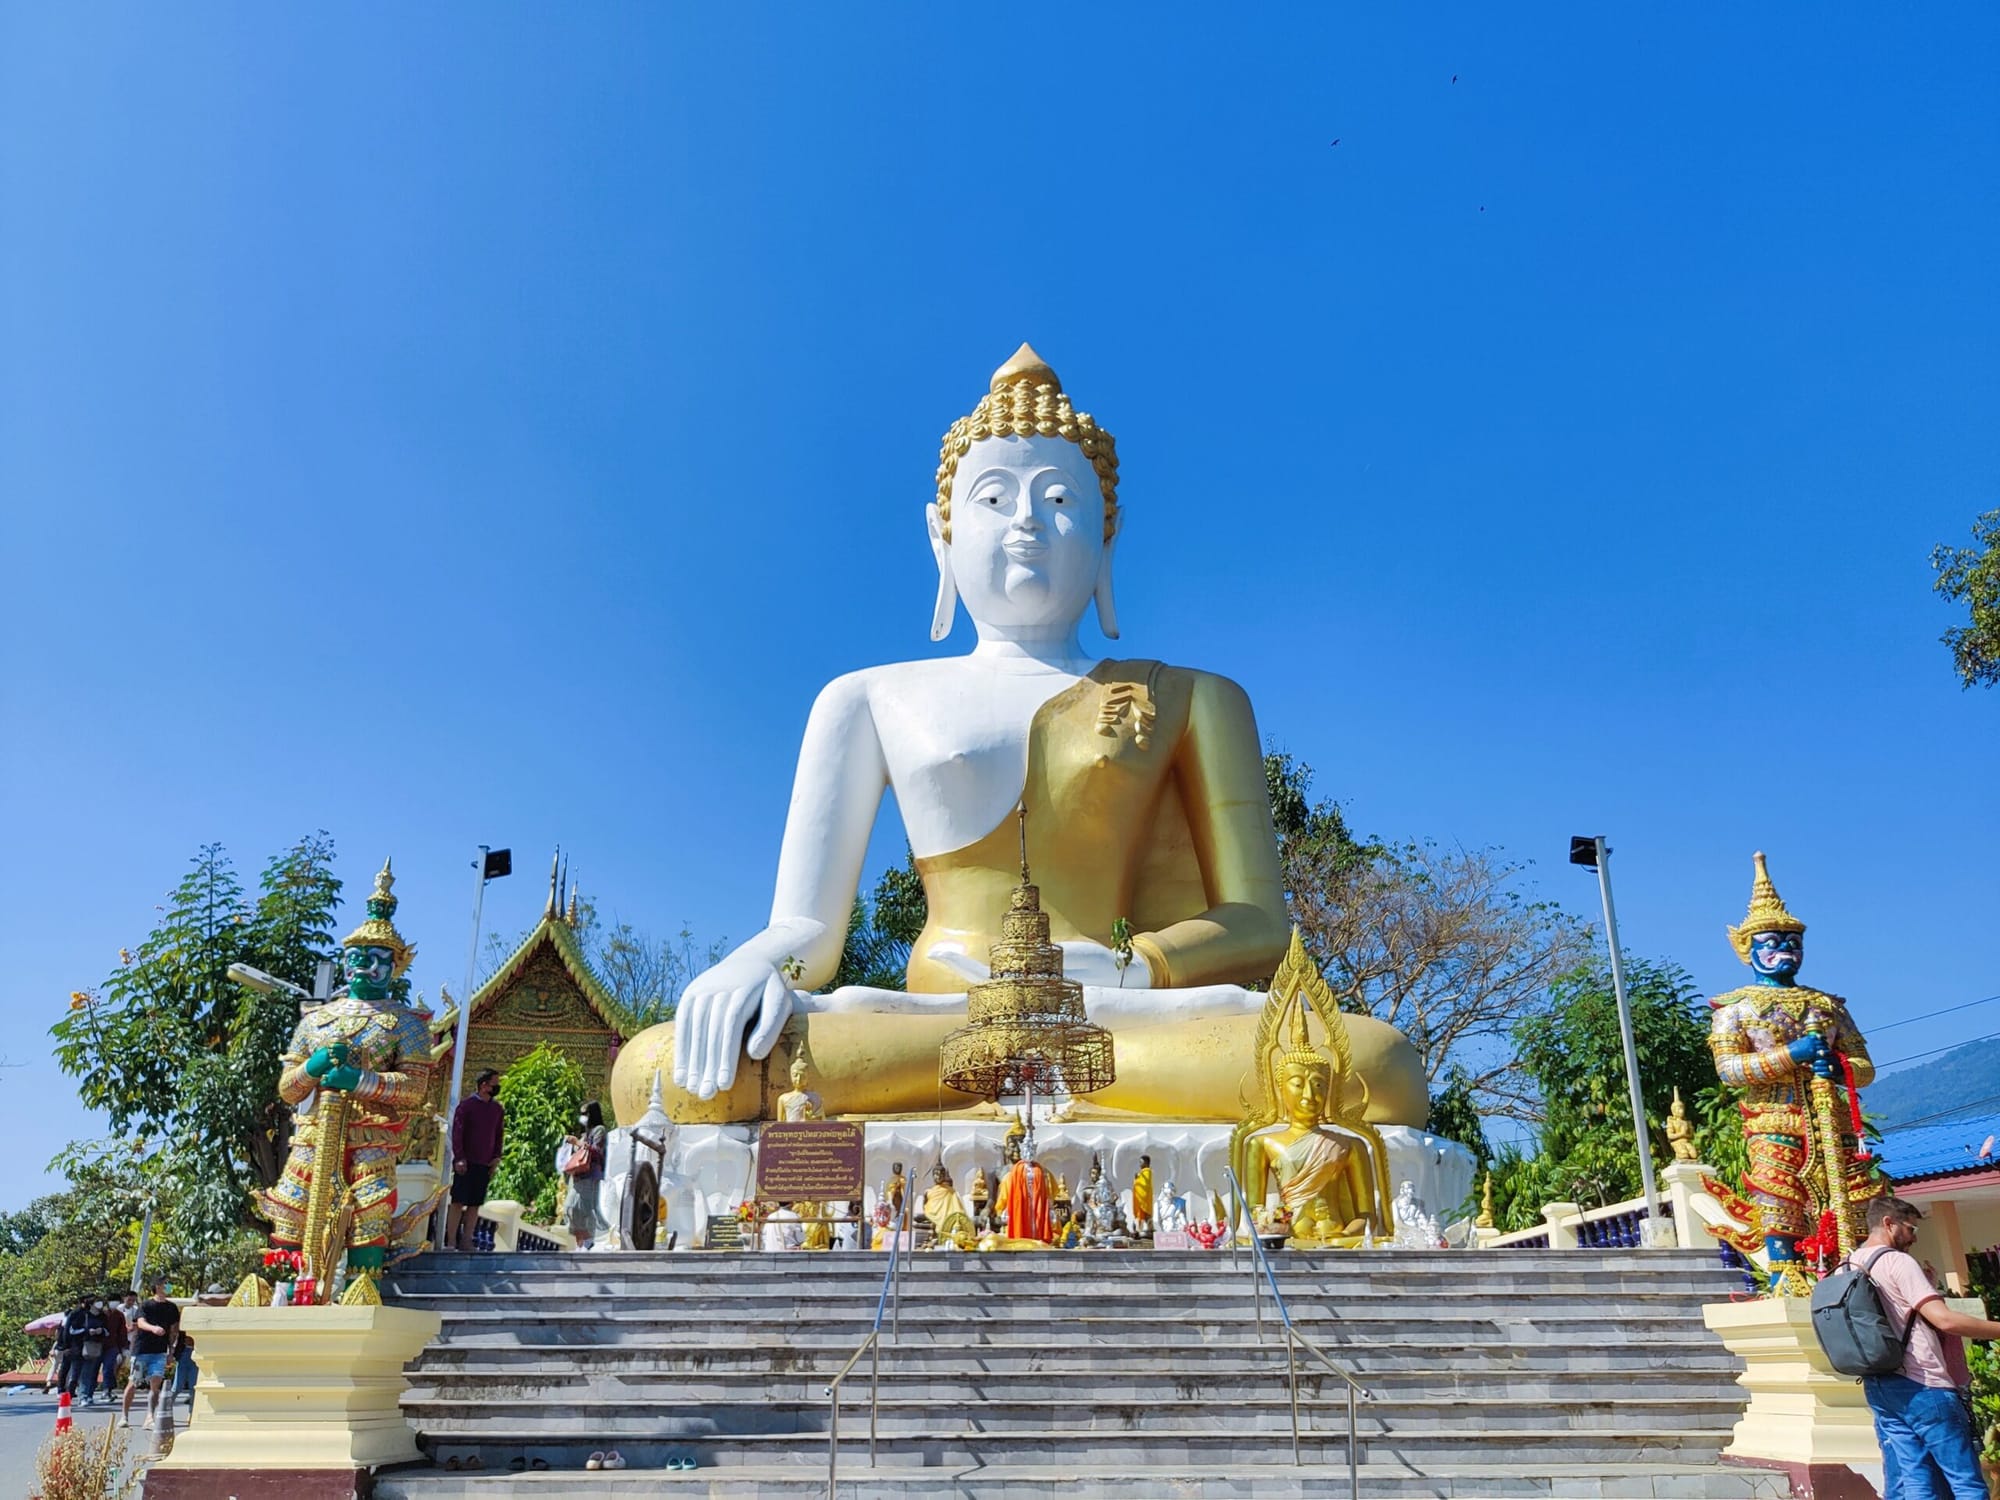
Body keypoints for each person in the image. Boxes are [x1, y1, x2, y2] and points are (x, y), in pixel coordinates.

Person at [1851, 1195, 2000, 1498]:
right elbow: (1943, 1320)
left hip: (1880, 1383)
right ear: (1888, 1223)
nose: (1914, 1238)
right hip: (1923, 1384)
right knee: (1966, 1480)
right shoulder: (1897, 1261)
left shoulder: (1849, 1263)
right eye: (1910, 1229)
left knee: (1916, 1478)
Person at [448, 1069, 505, 1252]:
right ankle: (450, 1242)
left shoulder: (497, 1109)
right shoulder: (466, 1106)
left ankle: (467, 1240)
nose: (497, 1087)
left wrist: (496, 1156)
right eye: (495, 1083)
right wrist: (459, 1157)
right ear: (484, 1085)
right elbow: (457, 1133)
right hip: (466, 1162)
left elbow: (498, 1135)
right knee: (458, 1202)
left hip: (484, 1163)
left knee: (475, 1204)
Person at [122, 1280, 180, 1430]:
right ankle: (124, 1416)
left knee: (156, 1382)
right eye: (165, 1284)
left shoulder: (171, 1307)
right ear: (157, 1286)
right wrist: (153, 1328)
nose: (168, 1286)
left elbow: (174, 1330)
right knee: (134, 1382)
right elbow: (140, 1323)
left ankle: (149, 1416)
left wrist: (171, 1351)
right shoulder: (146, 1305)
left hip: (159, 1352)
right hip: (141, 1350)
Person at [562, 1100, 608, 1250]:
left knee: (584, 1208)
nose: (583, 1117)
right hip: (578, 1176)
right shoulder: (585, 1133)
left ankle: (588, 1241)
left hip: (590, 1175)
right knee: (571, 1208)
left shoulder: (599, 1130)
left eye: (585, 1114)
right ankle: (580, 1241)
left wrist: (578, 1143)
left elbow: (596, 1151)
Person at [73, 1297, 111, 1405]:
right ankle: (83, 1396)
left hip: (97, 1346)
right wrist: (87, 1331)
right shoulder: (82, 1315)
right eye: (97, 1302)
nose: (99, 1304)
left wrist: (101, 1330)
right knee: (85, 1372)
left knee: (93, 1372)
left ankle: (89, 1395)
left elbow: (107, 1331)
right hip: (83, 1346)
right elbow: (73, 1330)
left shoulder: (102, 1316)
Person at [97, 1292, 127, 1407]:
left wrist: (123, 1347)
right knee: (94, 1369)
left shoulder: (119, 1315)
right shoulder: (101, 1313)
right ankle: (87, 1392)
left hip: (113, 1346)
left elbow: (122, 1332)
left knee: (108, 1368)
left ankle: (107, 1390)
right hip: (99, 1345)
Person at [169, 1327, 197, 1406]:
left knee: (193, 1386)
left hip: (195, 1351)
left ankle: (191, 1414)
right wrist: (171, 1350)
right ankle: (166, 1408)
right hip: (184, 1351)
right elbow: (174, 1331)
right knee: (177, 1385)